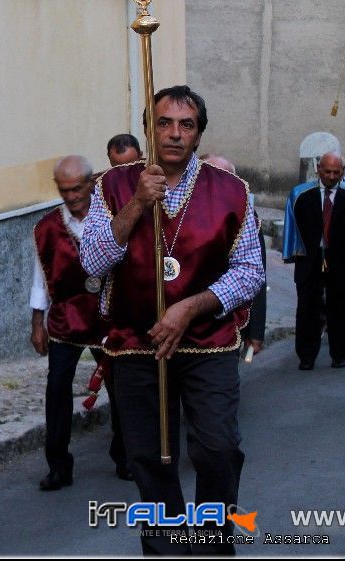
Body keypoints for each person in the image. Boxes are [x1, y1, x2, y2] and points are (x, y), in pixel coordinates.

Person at [80, 85, 264, 555]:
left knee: (218, 450)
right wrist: (138, 203)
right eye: (164, 123)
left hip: (207, 342)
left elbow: (249, 273)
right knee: (150, 459)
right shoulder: (112, 185)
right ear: (149, 128)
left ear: (199, 133)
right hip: (136, 343)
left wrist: (192, 305)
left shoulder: (232, 191)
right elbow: (93, 261)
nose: (175, 134)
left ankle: (212, 545)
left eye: (186, 125)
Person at [30, 155, 129, 491]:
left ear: (90, 184)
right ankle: (58, 465)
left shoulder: (112, 220)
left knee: (120, 387)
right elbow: (40, 276)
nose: (71, 196)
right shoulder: (46, 228)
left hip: (106, 317)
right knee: (57, 388)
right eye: (64, 190)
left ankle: (125, 455)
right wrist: (37, 320)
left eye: (76, 189)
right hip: (66, 318)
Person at [282, 152, 345, 370]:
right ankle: (307, 355)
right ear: (318, 169)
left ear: (343, 172)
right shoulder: (301, 195)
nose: (331, 176)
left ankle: (340, 353)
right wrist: (292, 252)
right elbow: (292, 225)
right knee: (307, 307)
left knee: (340, 306)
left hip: (341, 261)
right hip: (309, 259)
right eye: (327, 171)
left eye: (336, 172)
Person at [200, 154, 267, 358]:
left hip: (229, 322)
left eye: (225, 178)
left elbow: (256, 276)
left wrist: (255, 332)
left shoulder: (246, 218)